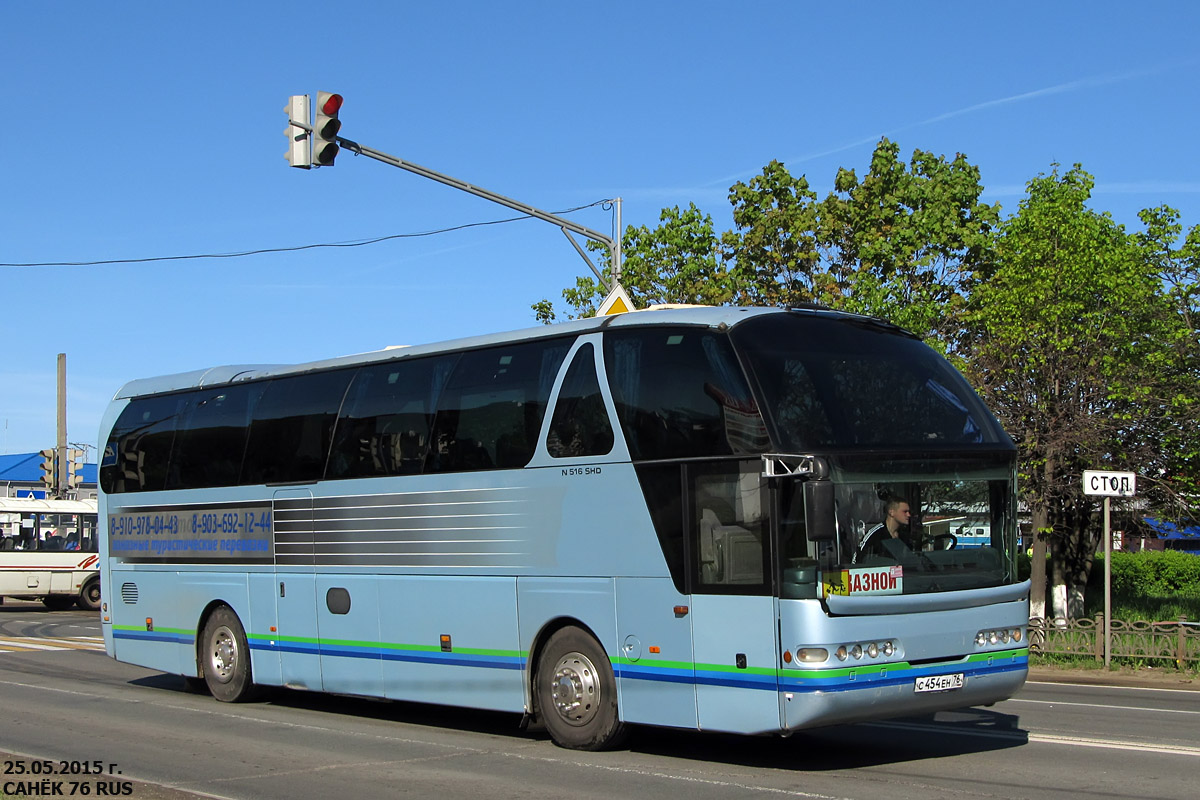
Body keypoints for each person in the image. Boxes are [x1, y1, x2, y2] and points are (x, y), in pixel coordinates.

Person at [854, 496, 914, 563]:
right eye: (905, 512)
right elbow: (858, 559)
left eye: (909, 512)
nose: (908, 515)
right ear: (891, 512)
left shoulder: (904, 537)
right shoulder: (875, 534)